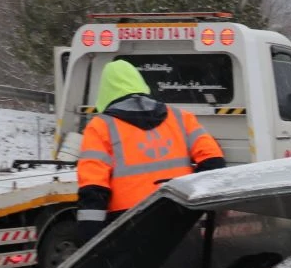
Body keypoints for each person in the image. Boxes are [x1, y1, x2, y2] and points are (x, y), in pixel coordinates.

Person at [76, 60, 226, 242]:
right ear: (140, 84)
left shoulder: (100, 127)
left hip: (128, 225)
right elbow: (215, 162)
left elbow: (93, 189)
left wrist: (88, 240)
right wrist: (193, 204)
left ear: (105, 93)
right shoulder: (180, 118)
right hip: (179, 216)